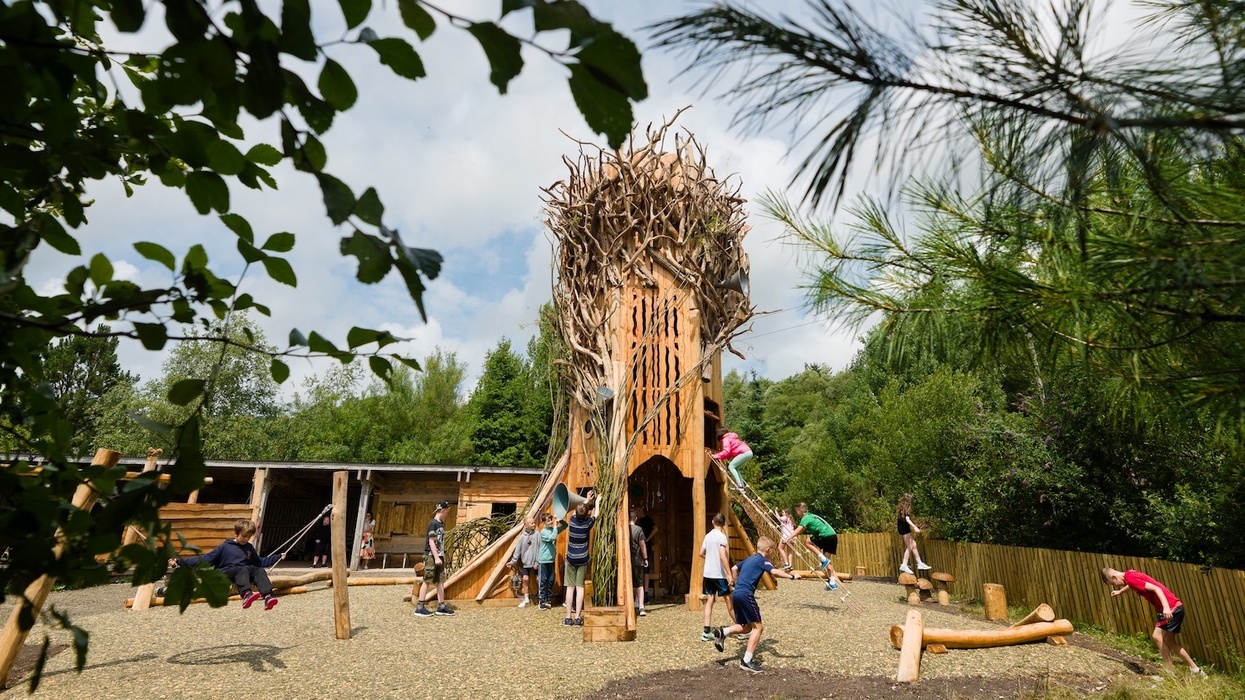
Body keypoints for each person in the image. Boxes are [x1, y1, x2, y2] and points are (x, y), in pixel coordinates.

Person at [711, 536, 799, 674]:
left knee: (746, 627)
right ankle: (746, 661)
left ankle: (723, 632)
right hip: (746, 595)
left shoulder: (749, 559)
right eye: (771, 550)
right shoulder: (762, 560)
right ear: (768, 550)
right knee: (758, 628)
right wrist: (792, 576)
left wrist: (735, 584)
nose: (772, 553)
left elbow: (734, 568)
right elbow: (774, 572)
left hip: (737, 594)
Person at [1101, 567, 1206, 677]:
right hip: (1175, 606)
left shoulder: (1130, 579)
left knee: (1157, 636)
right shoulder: (1130, 574)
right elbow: (1134, 585)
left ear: (1114, 577)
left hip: (1170, 608)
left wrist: (1166, 607)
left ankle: (1169, 672)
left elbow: (1157, 589)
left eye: (1113, 583)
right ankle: (1196, 670)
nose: (1116, 586)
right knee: (1169, 642)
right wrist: (1120, 592)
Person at [170, 519, 285, 610]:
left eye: (249, 537)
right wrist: (179, 562)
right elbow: (205, 559)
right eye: (244, 536)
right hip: (225, 572)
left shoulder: (249, 548)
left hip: (242, 572)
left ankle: (268, 596)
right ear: (236, 533)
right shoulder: (225, 547)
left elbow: (260, 562)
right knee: (242, 569)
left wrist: (278, 557)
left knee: (259, 570)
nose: (246, 539)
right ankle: (246, 594)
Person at [782, 502, 842, 592]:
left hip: (825, 535)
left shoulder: (806, 517)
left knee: (808, 542)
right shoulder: (813, 516)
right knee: (827, 563)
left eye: (797, 511)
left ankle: (822, 559)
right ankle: (832, 583)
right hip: (833, 537)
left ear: (801, 510)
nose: (797, 513)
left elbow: (798, 530)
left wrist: (787, 538)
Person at [413, 501, 456, 618]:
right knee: (427, 580)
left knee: (440, 580)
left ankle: (441, 606)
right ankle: (420, 607)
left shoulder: (441, 524)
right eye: (447, 512)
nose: (447, 514)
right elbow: (431, 541)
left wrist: (441, 556)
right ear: (442, 511)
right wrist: (436, 557)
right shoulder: (433, 524)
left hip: (439, 555)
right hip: (431, 556)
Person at [563, 490, 598, 627]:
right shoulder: (587, 524)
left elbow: (575, 513)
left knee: (570, 588)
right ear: (586, 514)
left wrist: (586, 500)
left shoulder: (572, 521)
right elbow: (596, 515)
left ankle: (568, 618)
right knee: (580, 588)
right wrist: (597, 502)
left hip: (571, 558)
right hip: (583, 559)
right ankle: (577, 617)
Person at [699, 512, 735, 641]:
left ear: (713, 522)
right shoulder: (722, 537)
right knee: (728, 600)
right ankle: (741, 627)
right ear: (724, 524)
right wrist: (729, 573)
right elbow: (722, 556)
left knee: (710, 599)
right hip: (718, 574)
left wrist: (709, 558)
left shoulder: (708, 536)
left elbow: (701, 553)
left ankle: (706, 631)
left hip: (708, 573)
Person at [537, 513, 567, 610]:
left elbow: (565, 525)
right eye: (548, 520)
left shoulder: (553, 530)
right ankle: (542, 601)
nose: (550, 522)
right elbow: (552, 538)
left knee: (550, 580)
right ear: (543, 522)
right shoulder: (543, 532)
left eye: (551, 520)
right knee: (543, 580)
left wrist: (560, 520)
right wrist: (555, 526)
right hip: (543, 560)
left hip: (551, 560)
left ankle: (548, 599)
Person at [509, 516, 540, 608]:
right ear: (526, 525)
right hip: (526, 562)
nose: (534, 524)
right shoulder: (522, 537)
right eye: (531, 523)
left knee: (538, 579)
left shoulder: (537, 535)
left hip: (536, 562)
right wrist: (513, 561)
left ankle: (541, 597)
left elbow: (540, 548)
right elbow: (517, 551)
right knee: (525, 579)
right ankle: (526, 599)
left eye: (534, 522)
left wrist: (538, 561)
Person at [896, 493, 931, 574]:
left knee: (914, 545)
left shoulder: (901, 509)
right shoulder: (905, 509)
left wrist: (912, 528)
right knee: (910, 546)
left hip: (904, 529)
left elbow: (904, 521)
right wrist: (914, 527)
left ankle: (920, 563)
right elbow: (907, 519)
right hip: (904, 530)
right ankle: (904, 564)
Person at [631, 504, 659, 597]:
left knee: (645, 570)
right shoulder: (639, 521)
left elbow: (655, 528)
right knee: (643, 570)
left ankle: (645, 593)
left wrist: (647, 539)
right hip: (642, 546)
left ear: (639, 511)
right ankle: (643, 593)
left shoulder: (646, 520)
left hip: (644, 546)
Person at [629, 509, 649, 617]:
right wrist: (645, 558)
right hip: (637, 560)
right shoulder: (638, 530)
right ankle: (641, 606)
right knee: (639, 584)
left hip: (627, 561)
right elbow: (642, 545)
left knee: (630, 583)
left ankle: (632, 604)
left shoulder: (623, 528)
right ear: (635, 518)